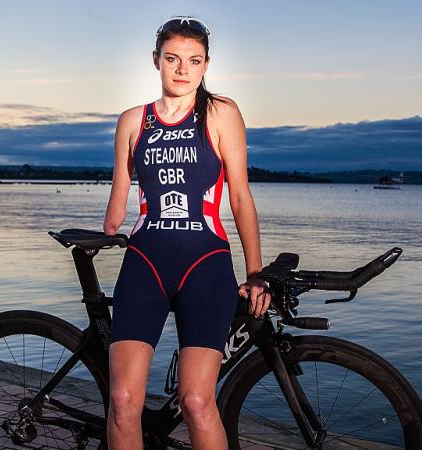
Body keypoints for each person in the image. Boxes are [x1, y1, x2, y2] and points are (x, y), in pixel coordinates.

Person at [102, 16, 271, 450]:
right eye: (173, 59)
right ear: (155, 60)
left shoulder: (221, 113)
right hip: (145, 262)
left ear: (206, 65)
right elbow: (116, 210)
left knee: (196, 400)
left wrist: (256, 273)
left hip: (205, 264)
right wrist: (108, 222)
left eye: (193, 61)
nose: (182, 70)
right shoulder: (132, 120)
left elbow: (240, 198)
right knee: (123, 400)